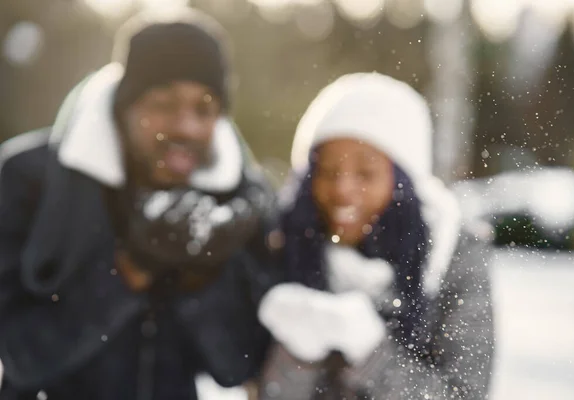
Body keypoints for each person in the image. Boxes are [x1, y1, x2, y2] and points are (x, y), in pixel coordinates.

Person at [0, 8, 279, 400]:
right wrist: (131, 268)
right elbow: (20, 357)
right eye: (163, 103)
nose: (186, 126)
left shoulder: (235, 203)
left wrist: (201, 271)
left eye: (204, 109)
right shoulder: (29, 180)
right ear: (123, 106)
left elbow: (237, 367)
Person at [256, 73, 495, 399]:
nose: (342, 189)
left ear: (404, 182)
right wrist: (297, 354)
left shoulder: (453, 257)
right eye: (327, 171)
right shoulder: (288, 243)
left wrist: (371, 351)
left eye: (365, 173)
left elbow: (464, 393)